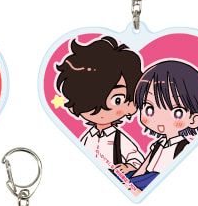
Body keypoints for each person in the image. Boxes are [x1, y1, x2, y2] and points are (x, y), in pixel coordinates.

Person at [54, 36, 144, 175]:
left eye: (117, 100)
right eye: (87, 101)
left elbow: (136, 159)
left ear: (131, 105)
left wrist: (129, 167)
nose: (101, 111)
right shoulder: (86, 137)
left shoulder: (119, 139)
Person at [125, 59, 198, 191]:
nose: (160, 119)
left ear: (194, 120)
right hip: (144, 180)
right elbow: (142, 169)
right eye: (149, 108)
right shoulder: (157, 144)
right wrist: (130, 183)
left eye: (177, 112)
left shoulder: (184, 148)